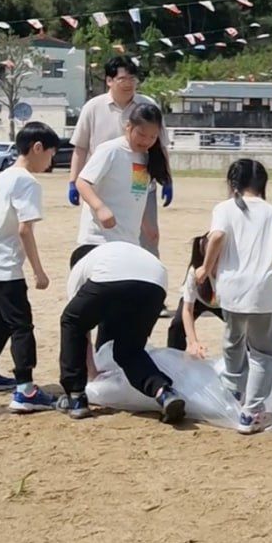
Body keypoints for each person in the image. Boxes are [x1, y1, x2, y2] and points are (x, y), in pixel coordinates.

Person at [196, 159, 272, 435]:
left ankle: (233, 393)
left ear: (233, 183)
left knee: (233, 341)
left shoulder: (224, 208)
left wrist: (206, 267)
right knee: (263, 353)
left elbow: (217, 236)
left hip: (231, 288)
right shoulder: (271, 212)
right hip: (261, 292)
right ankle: (253, 411)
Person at [0, 121, 60, 414]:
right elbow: (24, 230)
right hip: (4, 264)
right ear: (37, 148)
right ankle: (26, 389)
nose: (50, 161)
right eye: (50, 154)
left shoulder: (5, 175)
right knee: (21, 324)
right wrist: (38, 271)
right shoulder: (27, 181)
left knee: (0, 318)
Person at [58, 241, 185, 423]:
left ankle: (76, 398)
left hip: (112, 277)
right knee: (129, 350)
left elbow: (80, 328)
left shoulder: (80, 267)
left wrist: (91, 374)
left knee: (70, 321)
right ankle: (164, 392)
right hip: (156, 282)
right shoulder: (114, 250)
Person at [69, 54, 172, 251]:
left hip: (140, 178)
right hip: (102, 181)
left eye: (132, 79)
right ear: (109, 80)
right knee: (105, 232)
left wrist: (167, 180)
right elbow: (81, 147)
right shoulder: (93, 107)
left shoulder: (148, 105)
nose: (128, 84)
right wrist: (73, 182)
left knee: (147, 237)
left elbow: (161, 145)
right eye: (122, 79)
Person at [73, 102, 168, 266]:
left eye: (152, 137)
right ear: (128, 126)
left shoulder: (145, 157)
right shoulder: (111, 150)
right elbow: (82, 182)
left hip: (128, 241)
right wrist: (100, 207)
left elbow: (137, 193)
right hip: (99, 239)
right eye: (141, 134)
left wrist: (148, 227)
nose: (146, 141)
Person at [167, 234, 223, 356]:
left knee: (247, 331)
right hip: (199, 301)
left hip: (224, 304)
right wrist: (194, 343)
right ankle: (173, 359)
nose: (215, 260)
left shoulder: (230, 270)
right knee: (176, 327)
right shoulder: (195, 272)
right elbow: (187, 310)